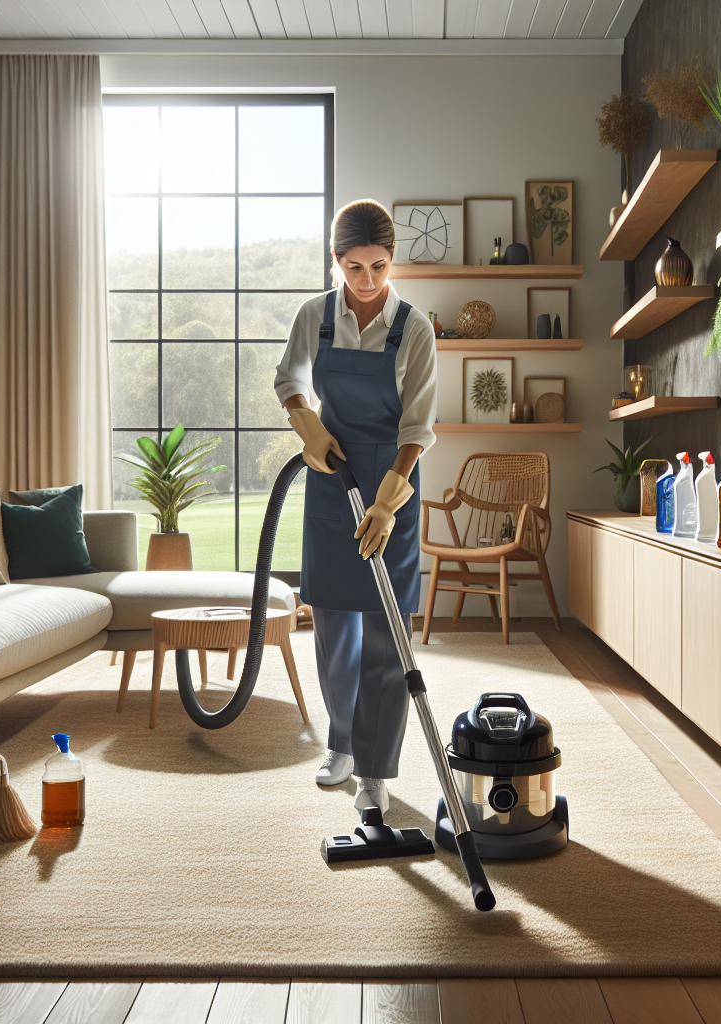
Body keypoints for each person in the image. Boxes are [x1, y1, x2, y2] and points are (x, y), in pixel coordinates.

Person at [274, 199, 438, 815]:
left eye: (379, 265)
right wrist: (308, 427)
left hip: (392, 475)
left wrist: (390, 501)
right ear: (337, 260)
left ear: (392, 258)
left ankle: (375, 770)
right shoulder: (315, 315)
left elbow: (419, 426)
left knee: (386, 635)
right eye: (355, 266)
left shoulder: (413, 328)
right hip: (331, 471)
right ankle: (341, 744)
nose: (368, 280)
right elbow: (288, 378)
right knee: (336, 626)